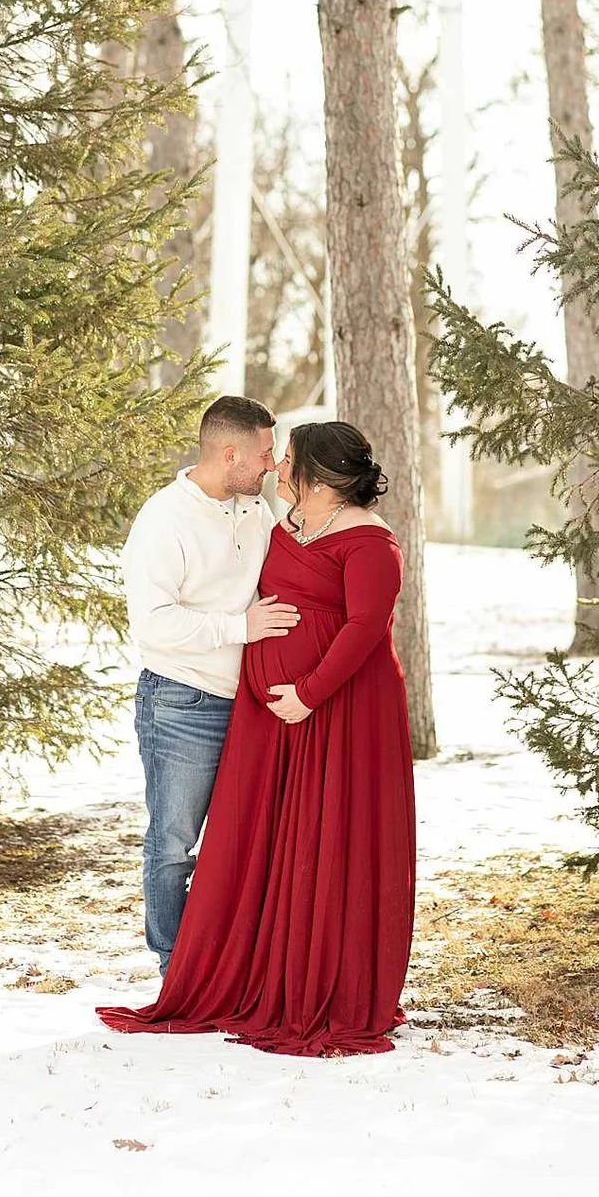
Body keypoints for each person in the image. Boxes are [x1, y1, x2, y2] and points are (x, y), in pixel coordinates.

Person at [99, 421, 418, 1057]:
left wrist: (309, 692)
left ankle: (318, 980)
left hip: (336, 714)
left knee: (327, 840)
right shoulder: (277, 521)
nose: (277, 467)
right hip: (257, 715)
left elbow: (365, 628)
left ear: (319, 478)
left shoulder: (367, 541)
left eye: (287, 458)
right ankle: (203, 969)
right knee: (242, 841)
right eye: (274, 454)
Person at [118, 395, 296, 973]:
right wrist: (239, 627)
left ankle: (228, 966)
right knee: (174, 843)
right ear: (230, 454)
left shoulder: (256, 509)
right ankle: (175, 967)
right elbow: (153, 623)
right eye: (265, 453)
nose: (272, 464)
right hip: (181, 702)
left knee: (240, 844)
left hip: (249, 702)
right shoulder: (164, 519)